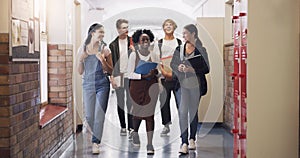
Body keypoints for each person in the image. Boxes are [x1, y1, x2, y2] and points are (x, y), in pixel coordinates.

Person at [170, 24, 210, 154]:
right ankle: (184, 142)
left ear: (193, 34)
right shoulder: (179, 49)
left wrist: (192, 69)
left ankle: (192, 138)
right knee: (182, 112)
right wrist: (179, 68)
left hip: (195, 85)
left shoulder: (201, 50)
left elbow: (206, 68)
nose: (183, 36)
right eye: (183, 33)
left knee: (192, 112)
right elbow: (172, 64)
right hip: (180, 85)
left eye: (186, 33)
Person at [77, 23, 113, 154]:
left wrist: (102, 60)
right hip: (87, 85)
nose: (102, 35)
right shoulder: (83, 49)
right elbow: (80, 72)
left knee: (99, 115)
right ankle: (95, 134)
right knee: (89, 116)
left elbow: (111, 70)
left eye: (103, 33)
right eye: (100, 32)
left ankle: (95, 142)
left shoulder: (105, 49)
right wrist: (81, 60)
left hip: (102, 84)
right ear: (92, 33)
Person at [127, 29, 159, 155]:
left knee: (149, 115)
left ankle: (150, 144)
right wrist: (143, 76)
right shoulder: (133, 55)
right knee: (137, 114)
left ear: (150, 41)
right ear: (138, 42)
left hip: (152, 87)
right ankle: (135, 133)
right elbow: (129, 74)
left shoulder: (154, 55)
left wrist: (155, 72)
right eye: (143, 40)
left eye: (147, 39)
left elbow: (159, 71)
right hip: (137, 87)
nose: (145, 42)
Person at [154, 19, 182, 136]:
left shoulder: (179, 42)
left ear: (174, 27)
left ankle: (183, 124)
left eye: (171, 25)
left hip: (177, 76)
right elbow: (157, 59)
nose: (168, 26)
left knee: (180, 102)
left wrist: (175, 73)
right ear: (163, 28)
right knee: (164, 102)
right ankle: (166, 125)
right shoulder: (160, 42)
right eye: (166, 25)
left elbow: (182, 59)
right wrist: (163, 73)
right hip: (164, 75)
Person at [109, 19, 134, 137]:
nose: (126, 29)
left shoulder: (133, 42)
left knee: (130, 102)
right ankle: (123, 126)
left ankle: (131, 127)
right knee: (120, 102)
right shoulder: (113, 45)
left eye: (127, 27)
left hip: (130, 76)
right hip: (119, 76)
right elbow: (112, 63)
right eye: (123, 27)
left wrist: (135, 51)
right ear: (118, 29)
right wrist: (112, 78)